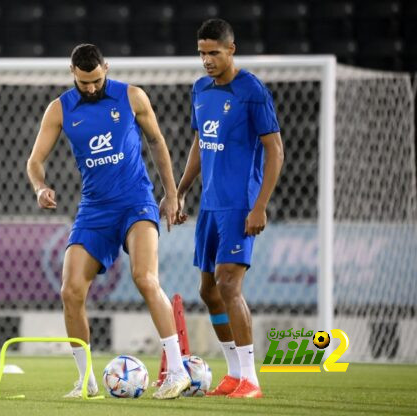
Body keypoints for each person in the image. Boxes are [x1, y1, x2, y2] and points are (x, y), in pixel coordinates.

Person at [27, 44, 191, 399]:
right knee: (70, 291)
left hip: (136, 203)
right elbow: (35, 160)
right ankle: (85, 382)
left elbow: (157, 141)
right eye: (83, 82)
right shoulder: (59, 109)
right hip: (95, 209)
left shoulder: (131, 96)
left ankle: (177, 371)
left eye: (96, 80)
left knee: (145, 278)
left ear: (106, 68)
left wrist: (172, 194)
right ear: (73, 72)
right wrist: (40, 187)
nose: (90, 87)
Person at [175, 19, 284, 399]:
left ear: (231, 49)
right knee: (207, 290)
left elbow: (275, 149)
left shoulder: (251, 90)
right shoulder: (200, 90)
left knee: (228, 284)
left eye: (214, 53)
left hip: (240, 204)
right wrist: (181, 190)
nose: (206, 60)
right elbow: (200, 141)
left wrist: (260, 206)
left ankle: (251, 379)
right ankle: (234, 372)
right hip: (210, 204)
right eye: (202, 52)